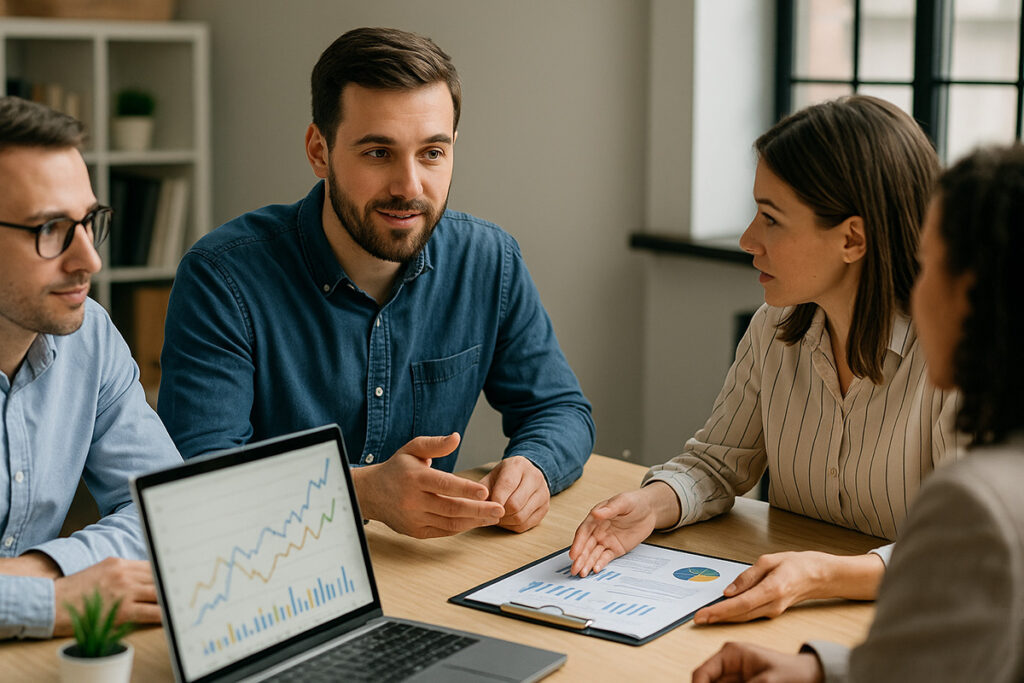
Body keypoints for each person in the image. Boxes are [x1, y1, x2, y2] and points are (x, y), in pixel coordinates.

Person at [158, 27, 594, 540]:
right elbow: (198, 478)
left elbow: (560, 409)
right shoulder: (223, 277)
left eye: (432, 153)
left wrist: (534, 467)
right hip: (279, 571)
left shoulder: (488, 259)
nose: (409, 187)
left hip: (420, 572)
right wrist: (361, 492)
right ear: (319, 150)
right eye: (377, 153)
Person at [570, 95, 962, 623]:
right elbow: (716, 463)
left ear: (853, 238)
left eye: (771, 219)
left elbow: (973, 545)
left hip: (922, 625)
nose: (748, 239)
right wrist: (652, 505)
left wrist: (822, 575)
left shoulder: (960, 358)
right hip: (797, 616)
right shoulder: (773, 330)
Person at [692, 143, 1024, 683]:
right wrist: (822, 670)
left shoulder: (982, 498)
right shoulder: (775, 332)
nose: (914, 292)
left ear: (978, 295)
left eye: (931, 265)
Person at [0, 96, 183, 639]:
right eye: (50, 229)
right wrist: (43, 602)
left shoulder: (90, 334)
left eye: (88, 221)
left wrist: (41, 574)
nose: (90, 261)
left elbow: (166, 509)